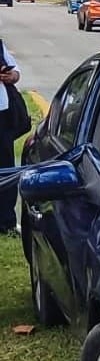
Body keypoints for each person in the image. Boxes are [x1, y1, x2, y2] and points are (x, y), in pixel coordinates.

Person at [0, 42, 21, 235]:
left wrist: (10, 76)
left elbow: (16, 72)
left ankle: (6, 222)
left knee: (6, 169)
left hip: (2, 115)